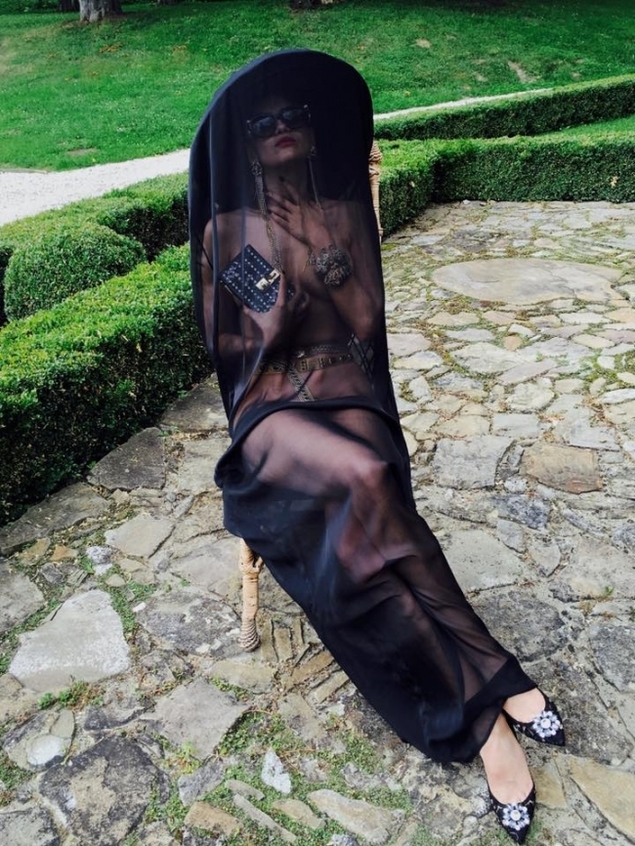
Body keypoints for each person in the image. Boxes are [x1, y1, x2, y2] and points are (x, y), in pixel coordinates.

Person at [189, 49, 565, 844]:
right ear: (246, 142)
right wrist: (288, 273)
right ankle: (486, 713)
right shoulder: (231, 231)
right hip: (273, 411)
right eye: (264, 121)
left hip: (345, 390)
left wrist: (338, 234)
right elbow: (254, 343)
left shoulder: (337, 211)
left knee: (372, 506)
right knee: (365, 476)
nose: (282, 127)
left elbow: (361, 321)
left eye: (294, 116)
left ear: (310, 131)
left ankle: (481, 678)